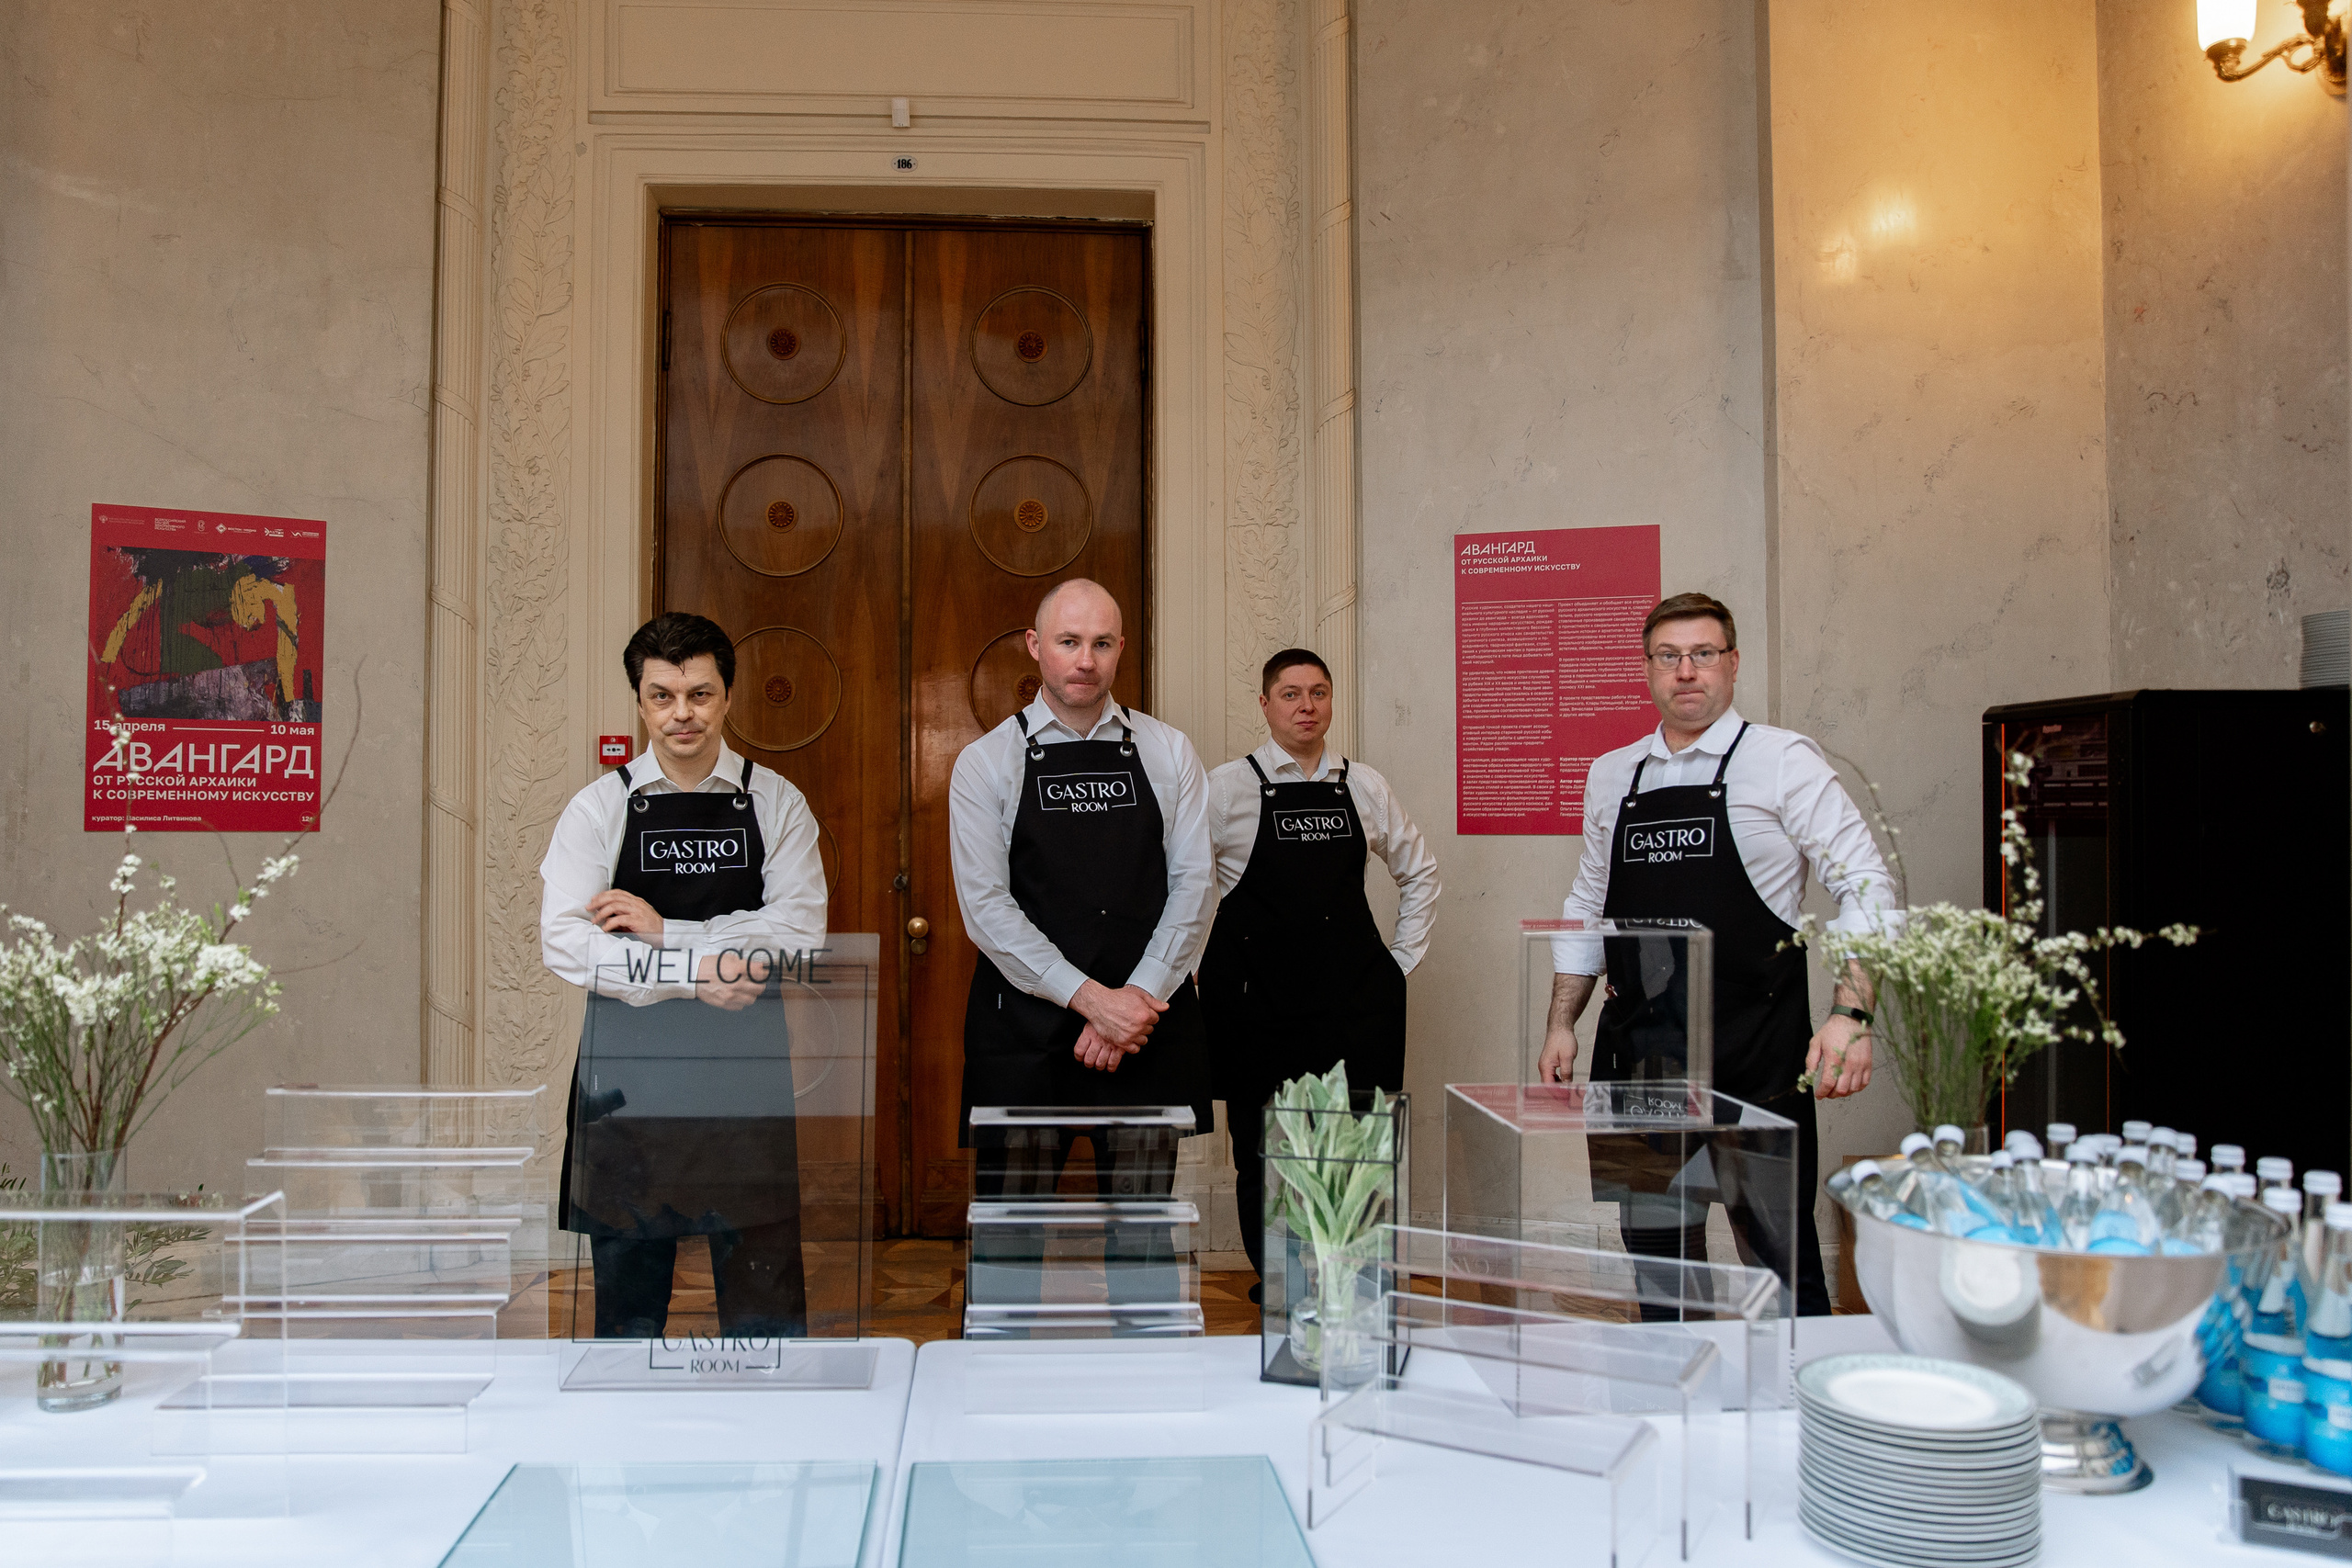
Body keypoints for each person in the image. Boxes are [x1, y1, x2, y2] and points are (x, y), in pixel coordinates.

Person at [1537, 592, 1893, 1317]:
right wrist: (1561, 1019)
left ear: (1732, 664)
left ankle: (1794, 1418)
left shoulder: (1780, 759)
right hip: (1640, 1052)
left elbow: (1867, 884)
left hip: (1754, 1051)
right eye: (1668, 656)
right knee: (1660, 1269)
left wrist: (1850, 1013)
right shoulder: (1613, 773)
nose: (1686, 670)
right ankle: (1677, 1417)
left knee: (1778, 1260)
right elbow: (1588, 899)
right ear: (1648, 670)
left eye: (1703, 654)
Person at [539, 612, 827, 1338]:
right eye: (663, 695)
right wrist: (697, 969)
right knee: (626, 1317)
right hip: (629, 1086)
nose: (682, 713)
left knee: (766, 1308)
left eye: (699, 693)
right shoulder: (598, 808)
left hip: (744, 1082)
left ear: (728, 696)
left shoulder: (778, 803)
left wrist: (668, 932)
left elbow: (799, 934)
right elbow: (566, 944)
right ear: (640, 702)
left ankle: (774, 1437)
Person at [947, 578, 1216, 1290]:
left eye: (1101, 643)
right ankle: (998, 1389)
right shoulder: (986, 763)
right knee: (1010, 1236)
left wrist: (1136, 1000)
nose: (1085, 660)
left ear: (1121, 648)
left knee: (1144, 1232)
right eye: (1068, 641)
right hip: (1030, 1033)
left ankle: (1146, 1381)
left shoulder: (1168, 750)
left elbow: (1195, 885)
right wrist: (1091, 999)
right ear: (1036, 647)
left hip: (1144, 1029)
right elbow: (987, 909)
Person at [1202, 649, 1439, 1294]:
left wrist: (1397, 965)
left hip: (1351, 1004)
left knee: (1352, 1154)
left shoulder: (1364, 784)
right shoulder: (1227, 787)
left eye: (1318, 692)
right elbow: (1186, 888)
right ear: (1265, 704)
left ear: (1331, 701)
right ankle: (1279, 1280)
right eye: (1290, 693)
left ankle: (1346, 1280)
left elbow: (1419, 872)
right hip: (1255, 1004)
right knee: (1261, 1152)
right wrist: (1197, 971)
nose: (1306, 705)